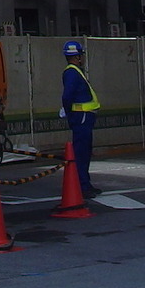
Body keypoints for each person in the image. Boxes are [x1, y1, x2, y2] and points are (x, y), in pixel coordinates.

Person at [59, 38, 99, 197]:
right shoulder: (72, 73)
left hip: (83, 117)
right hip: (81, 116)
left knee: (84, 151)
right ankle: (82, 186)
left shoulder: (74, 72)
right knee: (81, 152)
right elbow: (67, 96)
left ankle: (85, 183)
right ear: (78, 57)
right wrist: (69, 113)